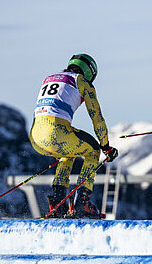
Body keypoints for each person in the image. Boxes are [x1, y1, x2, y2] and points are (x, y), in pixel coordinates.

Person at [29, 53, 117, 218]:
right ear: (90, 73)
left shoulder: (48, 78)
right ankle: (81, 203)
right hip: (57, 131)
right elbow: (97, 118)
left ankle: (58, 202)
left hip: (35, 137)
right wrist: (105, 146)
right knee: (93, 151)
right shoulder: (82, 82)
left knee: (67, 152)